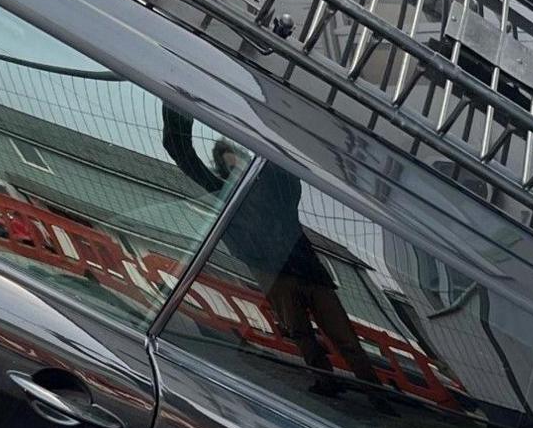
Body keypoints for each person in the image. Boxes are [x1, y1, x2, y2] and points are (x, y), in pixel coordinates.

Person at [162, 109, 384, 394]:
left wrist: (266, 128)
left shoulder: (279, 188)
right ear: (222, 172)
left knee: (344, 336)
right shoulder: (228, 195)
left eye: (241, 163)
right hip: (275, 273)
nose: (238, 170)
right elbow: (181, 152)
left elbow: (283, 163)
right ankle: (327, 381)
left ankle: (376, 393)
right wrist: (179, 104)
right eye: (229, 167)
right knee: (301, 333)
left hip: (306, 270)